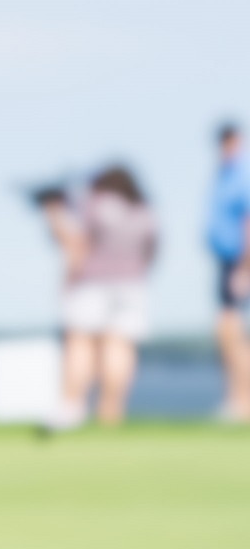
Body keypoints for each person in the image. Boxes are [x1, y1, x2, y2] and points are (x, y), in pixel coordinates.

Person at [45, 166, 158, 427]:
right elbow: (152, 250)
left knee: (81, 343)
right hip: (132, 284)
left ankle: (71, 408)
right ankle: (111, 414)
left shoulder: (92, 205)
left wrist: (53, 214)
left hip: (91, 283)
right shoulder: (143, 211)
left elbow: (76, 244)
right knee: (119, 345)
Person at [210, 123, 249, 423]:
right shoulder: (223, 175)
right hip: (228, 262)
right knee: (228, 332)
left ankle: (242, 401)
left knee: (232, 332)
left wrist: (244, 267)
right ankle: (236, 399)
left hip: (240, 262)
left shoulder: (241, 174)